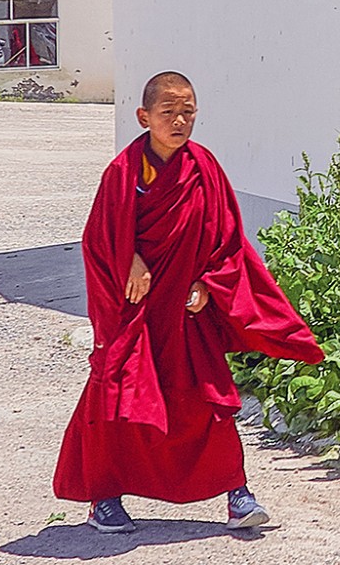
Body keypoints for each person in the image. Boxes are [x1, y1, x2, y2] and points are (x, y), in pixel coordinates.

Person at [53, 71, 323, 533]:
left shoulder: (203, 168)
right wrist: (128, 261)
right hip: (135, 311)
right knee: (120, 397)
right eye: (168, 112)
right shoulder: (123, 173)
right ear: (144, 116)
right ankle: (103, 498)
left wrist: (207, 283)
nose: (179, 121)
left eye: (188, 112)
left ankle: (237, 495)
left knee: (206, 401)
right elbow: (98, 240)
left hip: (185, 311)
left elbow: (227, 240)